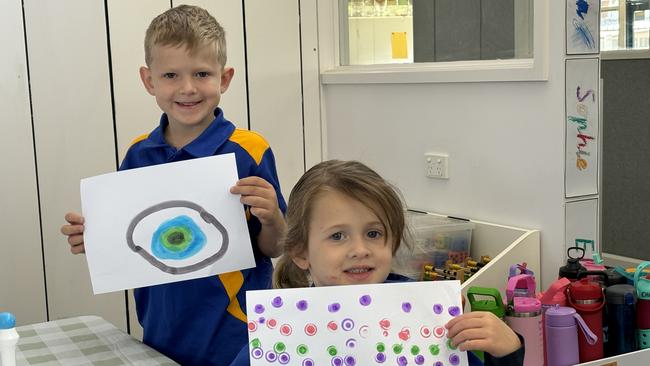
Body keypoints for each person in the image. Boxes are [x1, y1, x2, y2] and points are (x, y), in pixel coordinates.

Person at [59, 5, 286, 366]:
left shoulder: (249, 150)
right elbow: (130, 238)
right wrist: (95, 239)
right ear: (149, 80)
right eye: (170, 75)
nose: (187, 88)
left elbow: (274, 246)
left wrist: (272, 216)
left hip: (236, 334)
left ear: (224, 78)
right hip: (160, 330)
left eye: (201, 73)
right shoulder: (137, 153)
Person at [234, 160, 524, 365]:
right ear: (300, 252)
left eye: (374, 233)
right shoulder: (278, 327)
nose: (360, 249)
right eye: (338, 236)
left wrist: (507, 350)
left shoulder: (425, 316)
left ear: (393, 241)